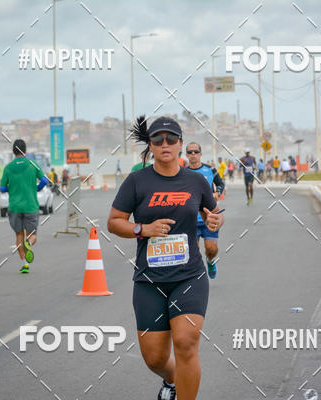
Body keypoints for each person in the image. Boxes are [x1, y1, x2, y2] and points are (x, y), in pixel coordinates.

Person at [107, 116, 223, 400]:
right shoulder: (137, 181)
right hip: (150, 280)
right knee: (155, 357)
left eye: (171, 139)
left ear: (180, 143)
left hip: (189, 276)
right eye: (157, 140)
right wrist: (143, 229)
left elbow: (214, 213)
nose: (165, 144)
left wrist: (215, 221)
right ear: (150, 145)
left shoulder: (196, 181)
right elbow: (114, 222)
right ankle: (171, 380)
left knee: (186, 343)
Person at [0, 139, 49, 273]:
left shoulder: (8, 168)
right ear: (25, 150)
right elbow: (45, 180)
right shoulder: (32, 164)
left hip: (14, 207)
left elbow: (2, 189)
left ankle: (25, 264)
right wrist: (37, 188)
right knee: (32, 235)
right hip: (30, 206)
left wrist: (12, 189)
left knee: (19, 236)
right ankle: (29, 243)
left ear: (13, 151)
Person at [186, 142, 225, 279]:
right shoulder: (183, 172)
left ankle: (210, 261)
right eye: (190, 152)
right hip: (191, 219)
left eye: (196, 151)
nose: (193, 154)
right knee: (193, 252)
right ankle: (197, 276)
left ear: (201, 154)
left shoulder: (211, 170)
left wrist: (217, 193)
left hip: (209, 216)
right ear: (186, 155)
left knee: (211, 249)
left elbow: (220, 184)